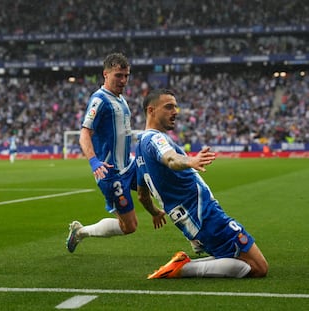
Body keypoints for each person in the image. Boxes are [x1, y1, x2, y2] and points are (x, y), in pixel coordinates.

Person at [135, 89, 268, 278]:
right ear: (151, 110)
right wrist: (190, 161)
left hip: (191, 220)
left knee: (233, 258)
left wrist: (155, 212)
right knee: (259, 266)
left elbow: (142, 194)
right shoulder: (156, 139)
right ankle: (183, 269)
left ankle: (183, 266)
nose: (175, 111)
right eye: (169, 107)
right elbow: (171, 159)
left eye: (175, 106)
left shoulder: (139, 149)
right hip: (204, 215)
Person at [66, 53, 166, 252]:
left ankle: (191, 233)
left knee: (164, 182)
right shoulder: (99, 100)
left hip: (127, 166)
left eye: (126, 76)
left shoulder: (120, 100)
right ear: (106, 74)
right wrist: (94, 161)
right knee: (129, 226)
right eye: (118, 75)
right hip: (110, 172)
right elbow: (84, 133)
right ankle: (80, 232)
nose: (123, 80)